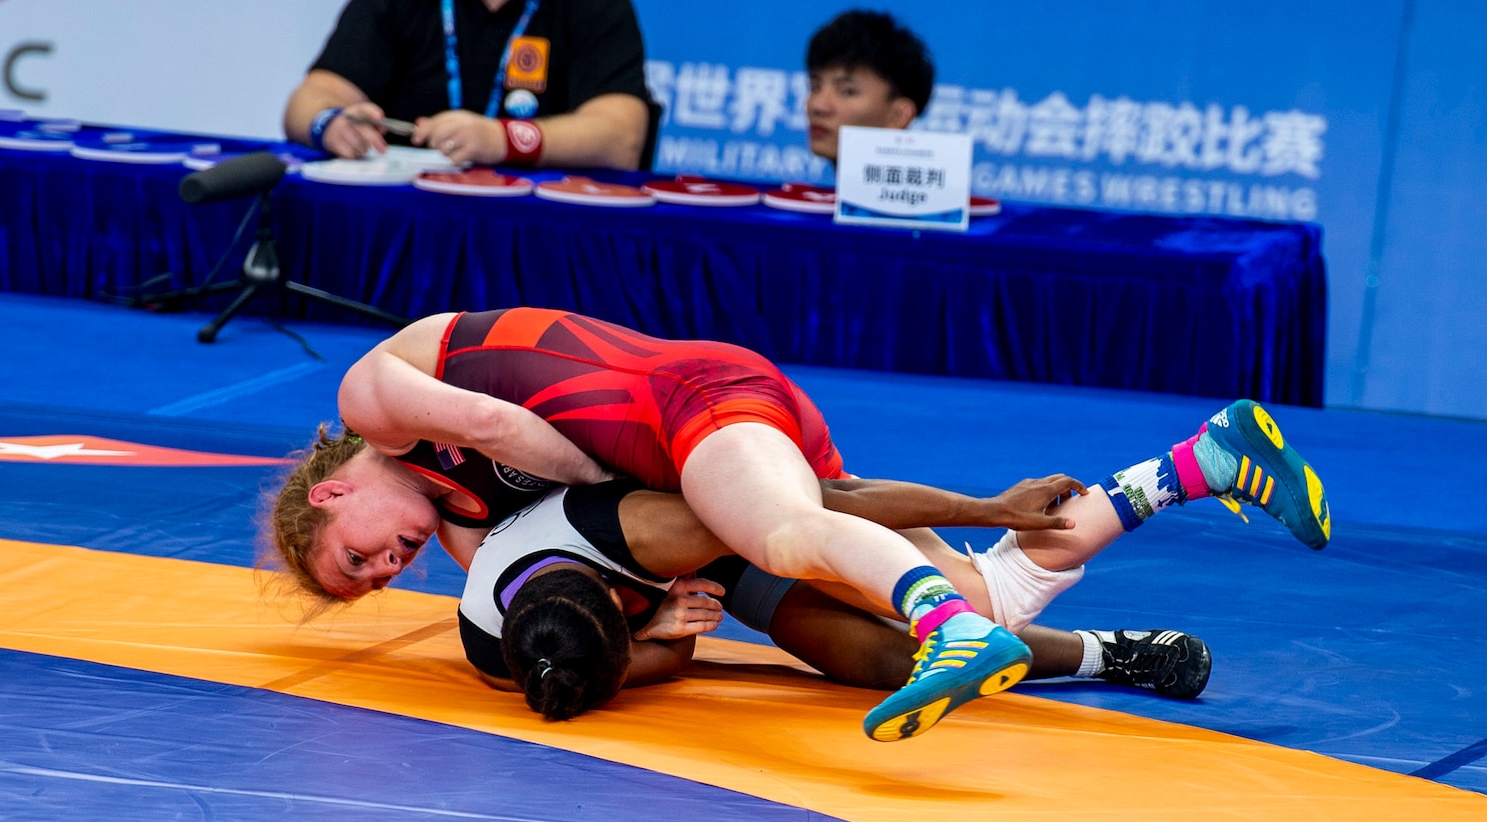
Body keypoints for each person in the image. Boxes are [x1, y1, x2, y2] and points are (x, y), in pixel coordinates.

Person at [267, 307, 1329, 740]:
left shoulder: (373, 401)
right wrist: (649, 628)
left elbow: (503, 422)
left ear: (327, 493)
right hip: (686, 478)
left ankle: (954, 628)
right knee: (915, 620)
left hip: (677, 422)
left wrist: (620, 506)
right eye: (383, 578)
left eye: (362, 554)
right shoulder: (466, 536)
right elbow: (830, 503)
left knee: (785, 536)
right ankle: (1192, 470)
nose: (391, 562)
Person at [458, 473, 1218, 723]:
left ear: (605, 585)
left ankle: (1180, 471)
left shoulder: (646, 532)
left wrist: (989, 507)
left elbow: (831, 502)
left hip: (737, 508)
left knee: (985, 600)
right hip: (683, 577)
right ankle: (1102, 655)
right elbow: (671, 648)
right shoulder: (510, 657)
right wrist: (657, 631)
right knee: (893, 664)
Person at [282, 0, 651, 170]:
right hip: (411, 213)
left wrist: (503, 140)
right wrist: (330, 123)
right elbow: (308, 100)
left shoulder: (598, 8)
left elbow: (621, 138)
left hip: (535, 226)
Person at [803, 10, 935, 165]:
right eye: (815, 87)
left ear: (898, 116)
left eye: (847, 91)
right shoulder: (782, 190)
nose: (817, 105)